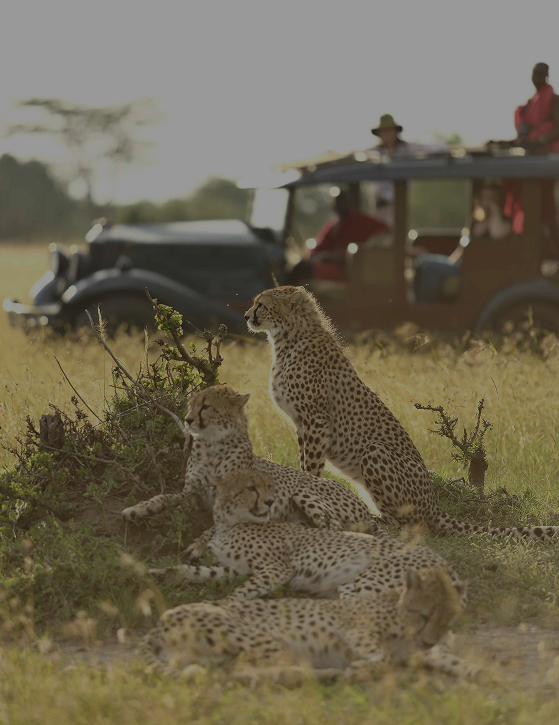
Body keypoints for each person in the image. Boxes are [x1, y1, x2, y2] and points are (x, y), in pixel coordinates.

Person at [414, 185, 511, 304]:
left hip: (479, 270)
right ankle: (423, 306)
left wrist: (495, 211)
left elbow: (497, 234)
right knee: (423, 262)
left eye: (491, 198)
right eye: (484, 197)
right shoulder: (476, 221)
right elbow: (464, 246)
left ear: (499, 200)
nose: (487, 201)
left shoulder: (505, 222)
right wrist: (450, 262)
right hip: (464, 266)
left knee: (427, 265)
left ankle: (427, 309)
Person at [287, 191, 388, 284]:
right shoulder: (333, 226)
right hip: (331, 266)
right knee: (300, 267)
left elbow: (385, 230)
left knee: (302, 269)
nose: (341, 206)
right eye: (338, 202)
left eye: (344, 202)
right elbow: (318, 249)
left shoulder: (361, 220)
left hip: (349, 270)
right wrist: (326, 256)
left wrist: (362, 250)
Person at [369, 114, 447, 226]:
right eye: (383, 131)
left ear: (396, 131)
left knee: (400, 234)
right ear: (379, 133)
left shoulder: (408, 149)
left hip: (401, 205)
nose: (386, 134)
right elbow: (353, 156)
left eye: (389, 130)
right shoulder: (373, 152)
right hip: (380, 208)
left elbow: (439, 147)